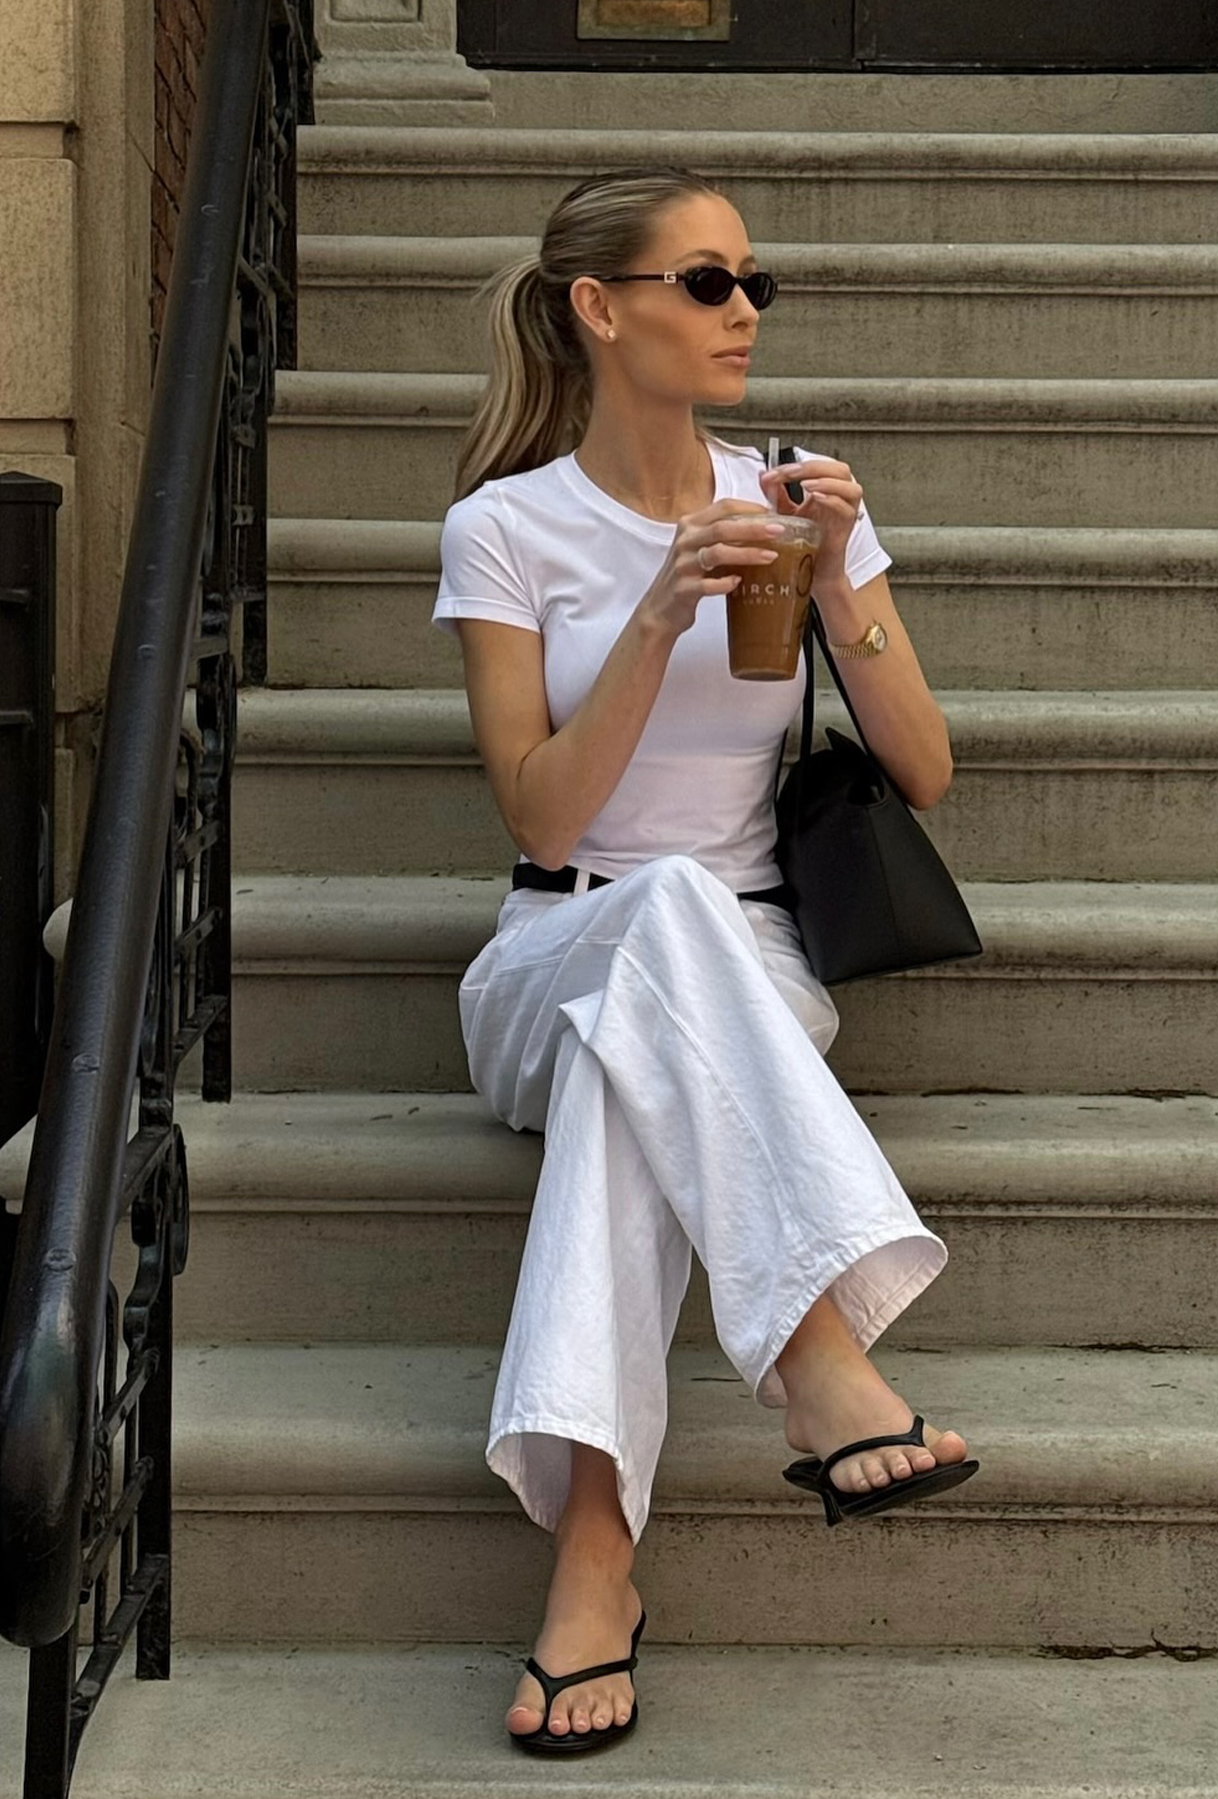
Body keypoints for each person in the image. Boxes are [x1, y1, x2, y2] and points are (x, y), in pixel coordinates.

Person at [432, 166, 977, 1756]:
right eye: (705, 282)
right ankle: (818, 1348)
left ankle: (595, 1561)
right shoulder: (506, 529)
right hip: (553, 945)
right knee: (650, 922)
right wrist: (659, 617)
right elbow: (539, 807)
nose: (744, 311)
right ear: (601, 310)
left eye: (754, 284)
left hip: (749, 972)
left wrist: (851, 580)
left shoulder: (796, 494)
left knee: (641, 1057)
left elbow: (927, 773)